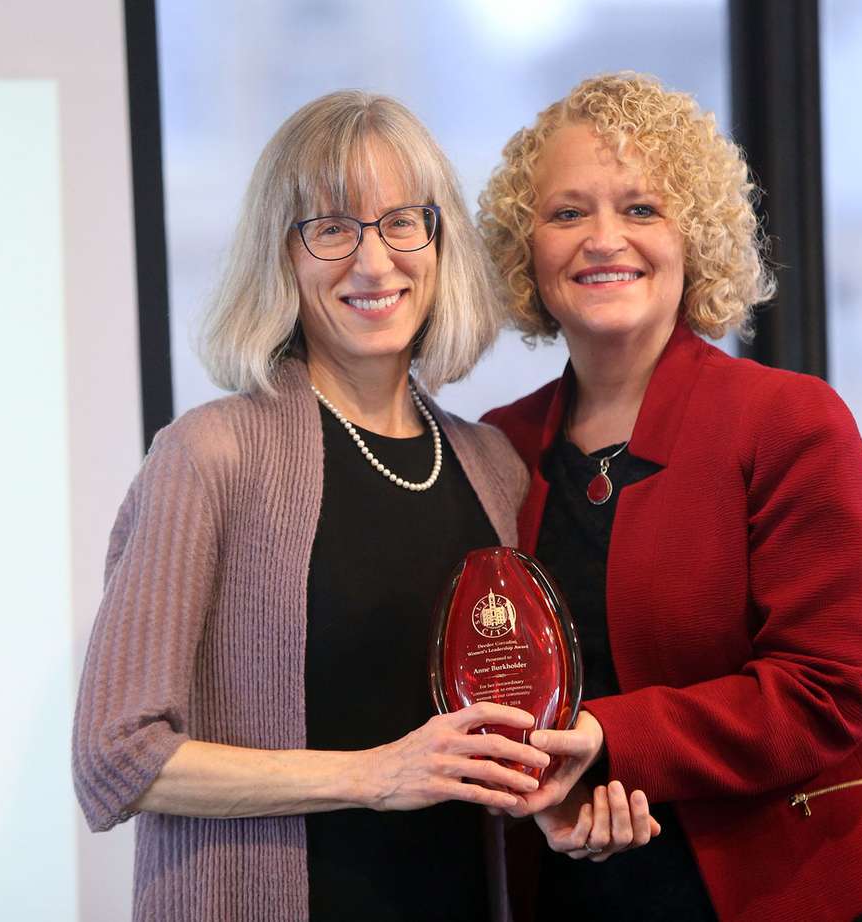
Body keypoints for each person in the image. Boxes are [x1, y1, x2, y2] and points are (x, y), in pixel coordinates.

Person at [72, 90, 565, 922]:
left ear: (440, 245)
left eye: (403, 222)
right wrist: (371, 775)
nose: (374, 264)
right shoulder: (209, 456)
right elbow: (116, 757)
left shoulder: (493, 467)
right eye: (331, 228)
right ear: (281, 256)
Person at [479, 73, 862, 922]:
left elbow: (822, 695)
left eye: (642, 209)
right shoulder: (495, 446)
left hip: (790, 885)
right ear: (525, 247)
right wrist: (542, 795)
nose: (602, 239)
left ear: (694, 237)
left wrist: (608, 739)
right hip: (577, 884)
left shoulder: (790, 421)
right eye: (566, 212)